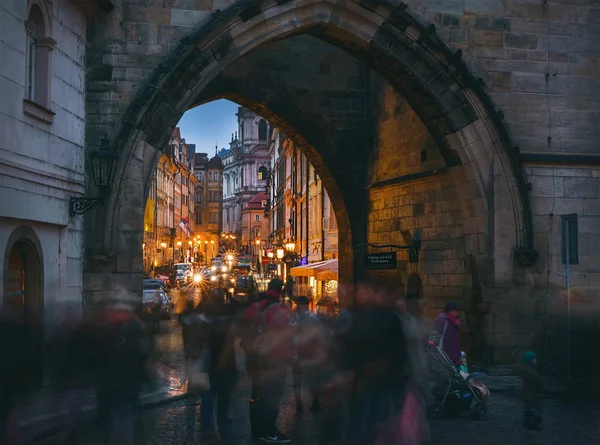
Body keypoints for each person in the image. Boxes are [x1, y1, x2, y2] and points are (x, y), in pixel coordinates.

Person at [239, 278, 293, 444]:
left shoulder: (255, 306)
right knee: (271, 396)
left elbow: (242, 326)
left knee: (256, 394)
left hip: (253, 358)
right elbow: (288, 333)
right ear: (280, 291)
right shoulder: (280, 310)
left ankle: (256, 429)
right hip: (273, 360)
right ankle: (269, 430)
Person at [196, 288, 238, 438]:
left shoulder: (206, 316)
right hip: (222, 365)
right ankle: (222, 427)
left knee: (209, 400)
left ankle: (209, 429)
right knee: (222, 399)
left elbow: (199, 339)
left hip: (213, 364)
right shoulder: (227, 315)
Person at [290, 296, 323, 413]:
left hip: (308, 352)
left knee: (312, 378)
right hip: (298, 353)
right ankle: (299, 403)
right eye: (301, 305)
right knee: (298, 380)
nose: (302, 307)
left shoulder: (312, 319)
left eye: (304, 305)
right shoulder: (293, 318)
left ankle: (315, 401)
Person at [429, 301, 462, 366]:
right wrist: (433, 349)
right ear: (449, 311)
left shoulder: (455, 322)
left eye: (456, 310)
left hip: (453, 357)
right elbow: (433, 337)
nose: (456, 312)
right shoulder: (441, 320)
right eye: (454, 310)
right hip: (443, 356)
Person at [520, 351, 543, 430]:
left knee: (529, 408)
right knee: (533, 409)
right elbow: (538, 380)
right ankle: (532, 423)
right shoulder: (530, 371)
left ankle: (527, 422)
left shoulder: (527, 370)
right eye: (534, 359)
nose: (536, 360)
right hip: (531, 394)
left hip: (528, 394)